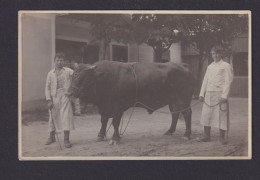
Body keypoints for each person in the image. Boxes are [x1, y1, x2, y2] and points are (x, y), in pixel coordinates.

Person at [198, 46, 233, 145]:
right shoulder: (210, 66)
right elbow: (205, 80)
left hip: (220, 94)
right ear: (211, 54)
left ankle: (222, 137)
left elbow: (228, 81)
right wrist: (201, 94)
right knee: (206, 114)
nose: (215, 55)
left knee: (221, 115)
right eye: (213, 53)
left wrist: (224, 96)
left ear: (221, 54)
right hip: (209, 93)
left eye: (217, 53)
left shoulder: (226, 66)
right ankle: (206, 136)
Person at [45, 52, 75, 148]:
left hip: (65, 95)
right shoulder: (50, 73)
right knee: (53, 116)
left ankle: (66, 139)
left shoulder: (68, 71)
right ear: (54, 61)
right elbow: (47, 87)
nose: (59, 62)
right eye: (57, 60)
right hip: (54, 96)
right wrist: (49, 100)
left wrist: (72, 90)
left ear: (64, 61)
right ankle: (51, 137)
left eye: (61, 60)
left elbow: (77, 76)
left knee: (66, 116)